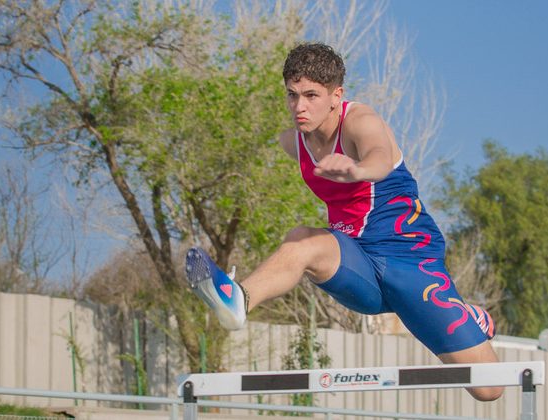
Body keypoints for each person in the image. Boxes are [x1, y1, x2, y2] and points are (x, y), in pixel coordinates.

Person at [185, 43, 503, 401]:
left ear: (336, 95)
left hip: (409, 262)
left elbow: (380, 157)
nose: (299, 107)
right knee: (302, 240)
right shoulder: (293, 142)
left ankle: (471, 316)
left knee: (488, 388)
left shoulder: (361, 121)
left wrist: (357, 170)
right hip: (356, 261)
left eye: (311, 96)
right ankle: (238, 298)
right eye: (292, 95)